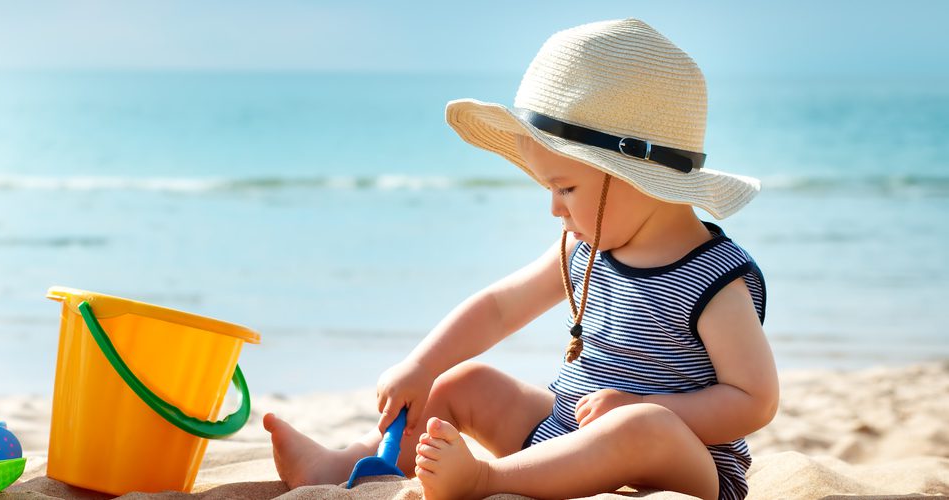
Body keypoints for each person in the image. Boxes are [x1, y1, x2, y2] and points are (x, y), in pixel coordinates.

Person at [266, 19, 776, 500]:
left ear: (634, 176)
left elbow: (755, 400)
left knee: (640, 428)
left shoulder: (714, 277)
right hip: (562, 433)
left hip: (682, 461)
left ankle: (486, 479)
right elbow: (499, 308)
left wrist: (647, 407)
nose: (553, 207)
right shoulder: (583, 249)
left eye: (566, 188)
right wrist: (422, 365)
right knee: (463, 383)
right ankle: (350, 466)